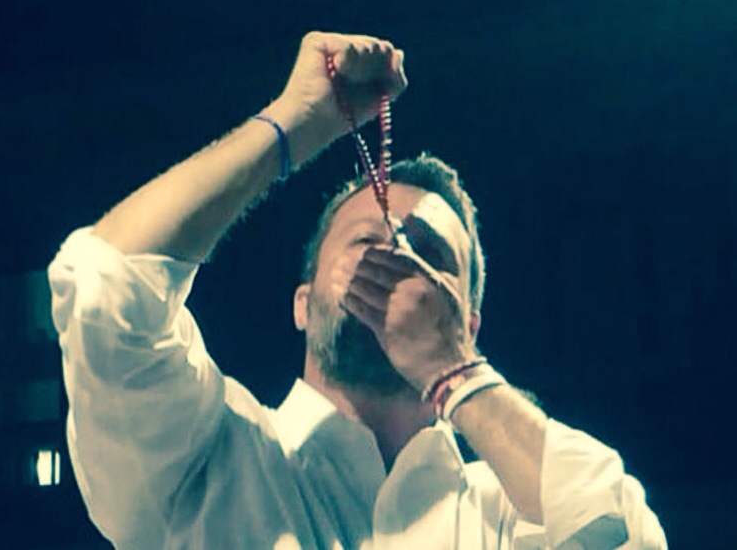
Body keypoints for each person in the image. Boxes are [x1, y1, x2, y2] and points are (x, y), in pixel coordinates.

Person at [48, 31, 667, 549]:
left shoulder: (508, 516)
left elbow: (624, 537)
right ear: (302, 303)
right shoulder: (209, 459)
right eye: (365, 239)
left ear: (467, 326)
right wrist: (293, 125)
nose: (394, 254)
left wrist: (453, 372)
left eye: (428, 255)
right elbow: (107, 282)